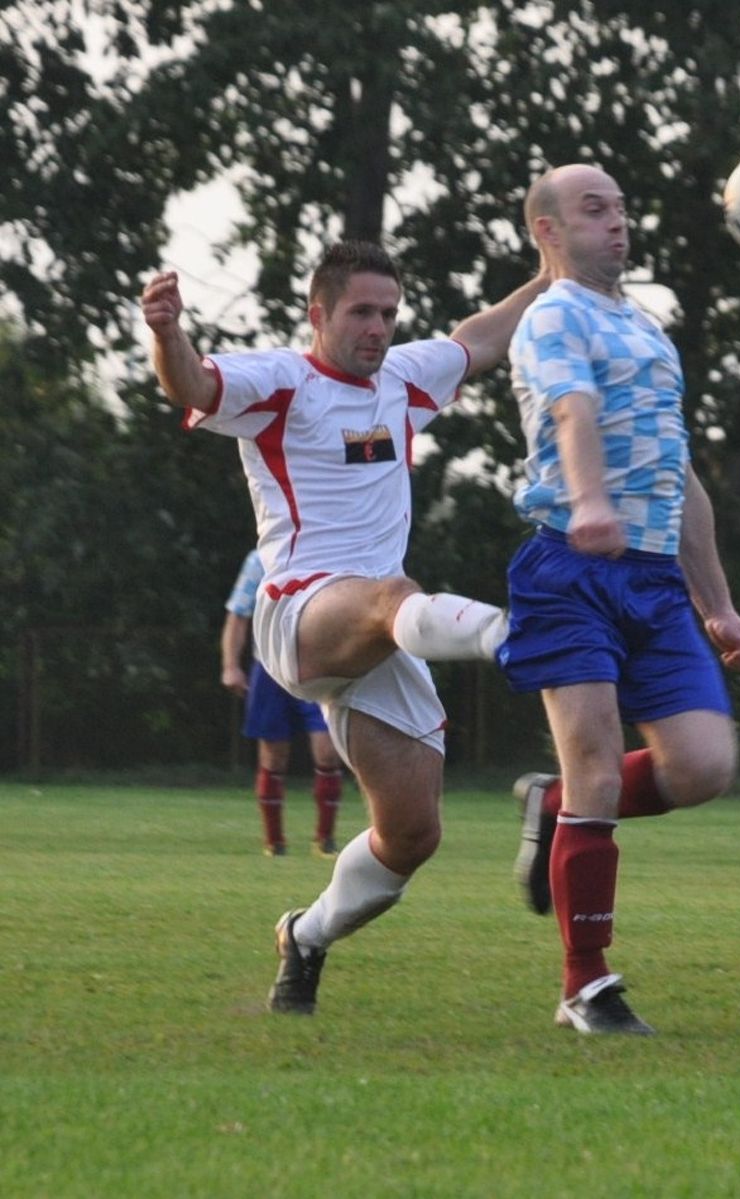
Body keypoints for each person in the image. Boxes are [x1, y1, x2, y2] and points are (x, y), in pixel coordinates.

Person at [140, 239, 551, 1015]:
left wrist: (551, 273)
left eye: (389, 313)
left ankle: (306, 935)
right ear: (318, 313)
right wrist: (166, 332)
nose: (378, 327)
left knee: (412, 837)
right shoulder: (282, 381)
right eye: (362, 311)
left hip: (382, 635)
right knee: (390, 594)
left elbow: (483, 338)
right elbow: (189, 383)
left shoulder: (401, 378)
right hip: (300, 614)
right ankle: (522, 637)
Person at [497, 163, 740, 1036]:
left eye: (619, 208)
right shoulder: (550, 316)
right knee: (599, 769)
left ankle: (555, 807)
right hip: (568, 570)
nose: (616, 223)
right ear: (547, 232)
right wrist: (588, 501)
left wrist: (717, 604)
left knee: (703, 767)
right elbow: (573, 414)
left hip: (651, 581)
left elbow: (680, 477)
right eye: (592, 210)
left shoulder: (647, 330)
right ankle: (586, 983)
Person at [221, 547, 346, 857]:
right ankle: (274, 842)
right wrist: (230, 665)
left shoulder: (325, 554)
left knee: (328, 752)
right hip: (270, 670)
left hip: (316, 668)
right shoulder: (259, 560)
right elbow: (238, 615)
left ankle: (324, 838)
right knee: (273, 757)